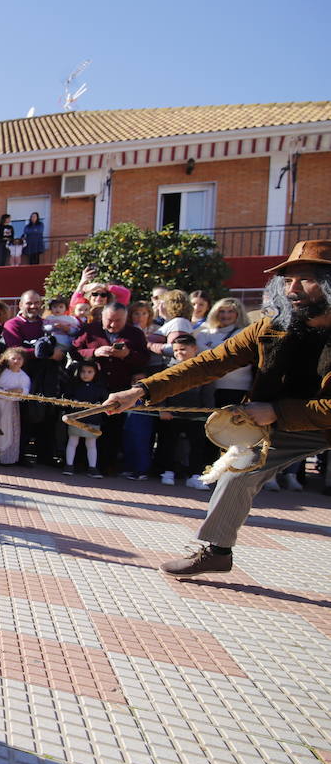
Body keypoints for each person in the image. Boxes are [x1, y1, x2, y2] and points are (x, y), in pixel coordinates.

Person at [102, 244, 331, 575]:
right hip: (284, 422)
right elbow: (209, 362)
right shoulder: (269, 326)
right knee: (238, 471)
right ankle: (217, 551)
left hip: (306, 416)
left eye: (306, 279)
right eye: (287, 279)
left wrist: (276, 411)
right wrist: (142, 390)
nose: (292, 289)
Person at [72, 302, 148, 471]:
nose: (113, 325)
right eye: (109, 320)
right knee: (86, 426)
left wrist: (127, 354)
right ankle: (80, 463)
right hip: (91, 389)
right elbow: (74, 351)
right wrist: (94, 353)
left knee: (113, 430)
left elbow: (144, 359)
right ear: (102, 317)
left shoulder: (135, 334)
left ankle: (107, 465)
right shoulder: (90, 329)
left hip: (119, 389)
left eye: (118, 321)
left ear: (126, 318)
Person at [3, 290, 66, 466]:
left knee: (47, 417)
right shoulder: (12, 324)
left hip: (47, 379)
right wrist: (47, 354)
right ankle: (20, 456)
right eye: (29, 303)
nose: (33, 306)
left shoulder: (47, 323)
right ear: (21, 305)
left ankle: (46, 456)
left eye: (37, 303)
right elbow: (15, 349)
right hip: (22, 378)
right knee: (24, 419)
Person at [149, 333, 214, 489]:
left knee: (197, 445)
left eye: (183, 349)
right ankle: (168, 471)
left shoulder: (203, 369)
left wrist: (208, 413)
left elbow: (208, 393)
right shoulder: (168, 368)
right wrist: (162, 409)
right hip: (172, 414)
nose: (179, 353)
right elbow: (161, 391)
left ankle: (195, 475)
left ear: (194, 349)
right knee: (168, 443)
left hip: (196, 415)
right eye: (176, 350)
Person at [197, 297, 253, 407]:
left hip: (239, 388)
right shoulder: (203, 334)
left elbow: (237, 357)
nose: (225, 315)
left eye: (230, 311)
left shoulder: (245, 333)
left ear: (238, 314)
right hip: (209, 388)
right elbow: (202, 357)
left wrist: (212, 351)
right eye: (222, 311)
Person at [0, 347, 30, 465]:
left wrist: (20, 391)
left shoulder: (23, 377)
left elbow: (25, 392)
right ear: (7, 359)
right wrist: (5, 391)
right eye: (13, 358)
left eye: (19, 359)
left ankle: (4, 458)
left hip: (9, 407)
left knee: (5, 432)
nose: (16, 361)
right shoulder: (0, 372)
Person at [62, 361, 108, 477]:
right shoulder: (74, 385)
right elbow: (67, 398)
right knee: (72, 441)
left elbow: (105, 401)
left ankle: (92, 468)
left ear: (95, 373)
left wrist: (99, 406)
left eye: (89, 372)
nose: (85, 374)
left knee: (91, 444)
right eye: (83, 371)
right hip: (76, 419)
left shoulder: (100, 388)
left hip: (94, 419)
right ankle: (69, 465)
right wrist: (73, 402)